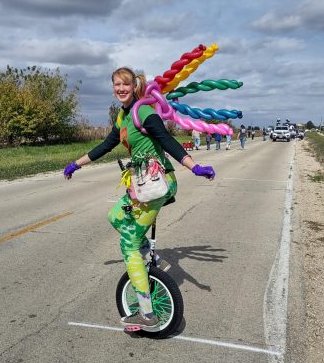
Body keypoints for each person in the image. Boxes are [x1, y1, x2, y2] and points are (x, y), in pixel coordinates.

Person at [63, 67, 215, 331]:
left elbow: (167, 140)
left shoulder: (143, 112)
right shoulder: (123, 116)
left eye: (125, 84)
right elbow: (106, 145)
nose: (120, 89)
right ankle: (150, 257)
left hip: (155, 184)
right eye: (116, 85)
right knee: (114, 216)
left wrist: (194, 166)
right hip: (140, 186)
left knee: (128, 245)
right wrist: (76, 164)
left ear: (134, 86)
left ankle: (146, 314)